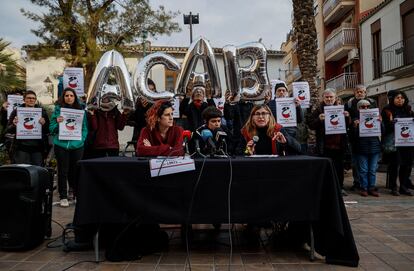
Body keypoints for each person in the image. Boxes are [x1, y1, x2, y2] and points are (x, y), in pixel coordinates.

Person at [50, 88, 88, 207]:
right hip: (61, 145)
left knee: (75, 171)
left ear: (75, 97)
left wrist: (81, 140)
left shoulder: (81, 110)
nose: (69, 97)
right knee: (62, 171)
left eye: (71, 95)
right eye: (67, 95)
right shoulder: (57, 110)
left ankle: (76, 195)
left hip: (77, 145)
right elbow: (51, 128)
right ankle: (63, 197)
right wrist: (57, 122)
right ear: (63, 97)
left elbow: (85, 128)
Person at [308, 89, 350, 196]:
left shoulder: (341, 109)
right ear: (323, 98)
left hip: (339, 145)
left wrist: (347, 117)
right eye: (327, 97)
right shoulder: (318, 110)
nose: (329, 99)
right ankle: (326, 188)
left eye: (331, 97)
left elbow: (348, 126)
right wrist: (319, 119)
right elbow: (311, 125)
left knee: (339, 168)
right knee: (326, 167)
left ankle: (340, 188)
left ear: (335, 98)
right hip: (325, 145)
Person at [345, 85, 377, 191]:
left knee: (367, 166)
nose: (360, 93)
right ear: (355, 92)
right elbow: (345, 120)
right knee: (355, 162)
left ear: (366, 93)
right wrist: (351, 122)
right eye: (358, 91)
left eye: (363, 91)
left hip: (369, 136)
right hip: (354, 137)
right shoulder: (349, 103)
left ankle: (368, 185)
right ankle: (357, 182)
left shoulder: (372, 102)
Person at [381, 90, 414, 196]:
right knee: (394, 165)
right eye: (397, 98)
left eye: (402, 98)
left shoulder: (408, 109)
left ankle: (403, 187)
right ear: (392, 99)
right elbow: (384, 127)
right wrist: (392, 123)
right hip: (394, 142)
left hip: (407, 142)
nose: (400, 100)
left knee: (407, 165)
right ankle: (393, 187)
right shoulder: (387, 110)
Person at [6, 90, 49, 166]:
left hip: (37, 148)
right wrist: (14, 125)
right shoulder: (16, 112)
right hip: (21, 148)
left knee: (37, 171)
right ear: (24, 99)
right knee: (22, 171)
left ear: (35, 100)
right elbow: (8, 130)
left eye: (33, 98)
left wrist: (44, 124)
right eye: (29, 98)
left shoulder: (42, 112)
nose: (31, 100)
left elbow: (47, 130)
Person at [348, 99, 382, 197]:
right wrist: (354, 126)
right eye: (363, 107)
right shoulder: (355, 119)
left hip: (374, 147)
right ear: (358, 109)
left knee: (372, 170)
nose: (366, 108)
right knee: (363, 170)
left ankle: (371, 188)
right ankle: (364, 188)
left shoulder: (376, 117)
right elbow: (351, 137)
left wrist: (381, 122)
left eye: (368, 106)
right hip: (361, 149)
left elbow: (382, 131)